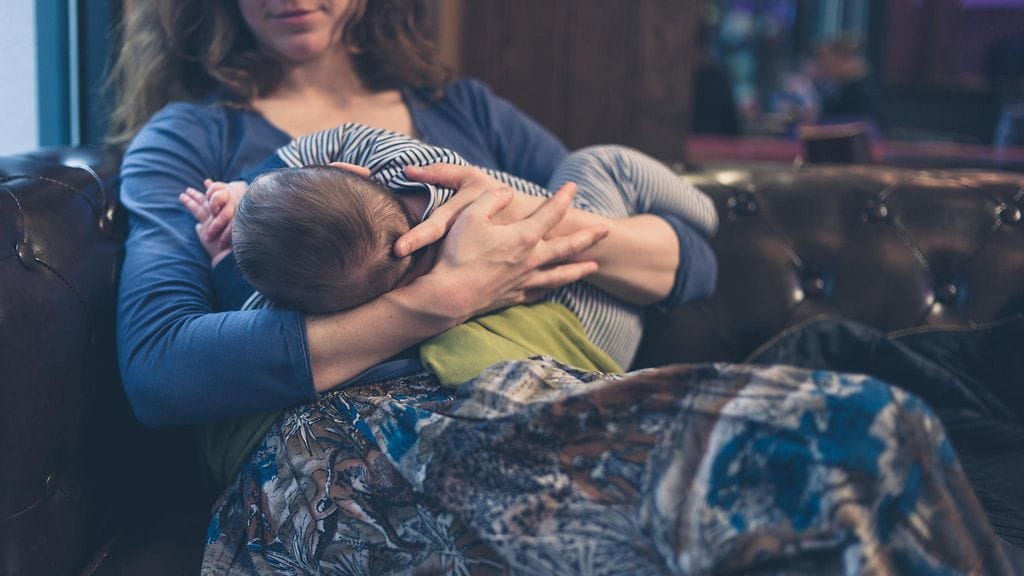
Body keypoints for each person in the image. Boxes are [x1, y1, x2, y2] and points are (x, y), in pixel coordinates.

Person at [111, 1, 1012, 573]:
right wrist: (443, 295)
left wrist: (542, 227)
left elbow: (689, 265)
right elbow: (160, 369)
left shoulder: (463, 116)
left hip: (533, 401)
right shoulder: (191, 143)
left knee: (874, 433)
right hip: (336, 456)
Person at [181, 124, 718, 369]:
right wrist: (248, 190)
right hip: (582, 303)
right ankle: (713, 209)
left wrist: (225, 257)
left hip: (588, 337)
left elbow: (244, 306)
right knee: (602, 164)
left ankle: (702, 227)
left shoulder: (336, 301)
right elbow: (339, 140)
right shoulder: (421, 174)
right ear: (350, 169)